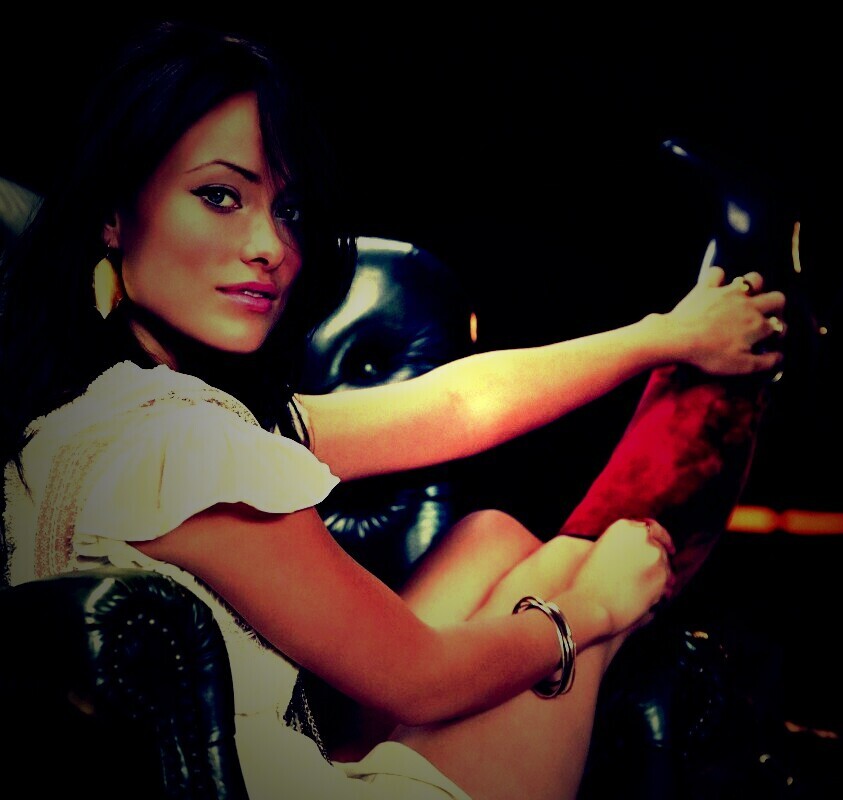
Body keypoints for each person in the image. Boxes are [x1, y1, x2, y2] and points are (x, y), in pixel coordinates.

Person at [0, 20, 787, 800]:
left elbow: (454, 406)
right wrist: (592, 609)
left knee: (489, 539)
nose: (270, 246)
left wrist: (663, 335)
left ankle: (718, 344)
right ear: (114, 212)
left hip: (271, 757)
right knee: (602, 565)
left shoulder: (86, 420)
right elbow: (422, 680)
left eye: (288, 210)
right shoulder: (188, 448)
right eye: (220, 196)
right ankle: (757, 307)